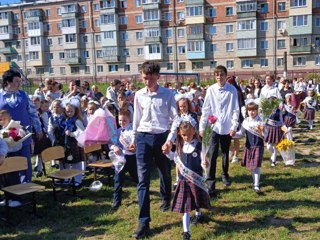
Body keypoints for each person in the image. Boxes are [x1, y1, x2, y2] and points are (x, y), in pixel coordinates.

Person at [131, 61, 177, 238]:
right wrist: (135, 137)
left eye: (150, 78)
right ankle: (144, 222)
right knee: (143, 180)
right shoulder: (139, 95)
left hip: (161, 137)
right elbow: (137, 117)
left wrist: (169, 140)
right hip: (143, 137)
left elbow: (176, 119)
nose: (147, 82)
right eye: (144, 78)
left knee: (164, 171)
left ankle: (166, 196)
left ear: (158, 76)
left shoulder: (167, 95)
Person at [199, 65, 239, 198]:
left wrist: (234, 126)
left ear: (225, 76)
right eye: (217, 75)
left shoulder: (232, 90)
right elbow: (206, 109)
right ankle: (210, 183)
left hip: (227, 126)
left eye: (221, 74)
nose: (219, 77)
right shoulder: (211, 89)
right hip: (213, 126)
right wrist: (202, 127)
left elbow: (235, 109)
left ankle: (224, 174)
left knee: (225, 152)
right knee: (212, 153)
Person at [0, 70, 43, 184]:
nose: (19, 84)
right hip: (5, 135)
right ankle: (11, 186)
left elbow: (33, 112)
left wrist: (38, 128)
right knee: (9, 161)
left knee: (25, 160)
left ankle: (26, 184)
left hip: (23, 133)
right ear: (7, 82)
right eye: (16, 81)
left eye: (20, 81)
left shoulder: (23, 95)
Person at [171, 117, 211, 240]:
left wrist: (205, 164)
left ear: (194, 131)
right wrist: (177, 178)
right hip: (184, 181)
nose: (186, 137)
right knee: (185, 207)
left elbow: (205, 161)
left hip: (196, 180)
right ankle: (186, 232)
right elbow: (177, 163)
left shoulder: (200, 146)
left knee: (197, 200)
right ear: (179, 133)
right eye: (183, 135)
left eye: (188, 134)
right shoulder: (179, 146)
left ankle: (199, 214)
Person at [109, 110, 138, 210]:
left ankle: (144, 191)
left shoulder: (133, 131)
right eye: (120, 120)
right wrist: (114, 147)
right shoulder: (117, 131)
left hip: (131, 158)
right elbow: (111, 143)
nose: (122, 122)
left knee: (137, 178)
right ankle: (117, 201)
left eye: (124, 120)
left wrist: (135, 147)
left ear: (129, 119)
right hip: (120, 159)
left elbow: (136, 144)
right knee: (118, 180)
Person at [234, 101, 264, 192]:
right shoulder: (246, 121)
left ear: (257, 111)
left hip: (258, 146)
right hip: (249, 146)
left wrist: (262, 132)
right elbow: (241, 134)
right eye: (250, 110)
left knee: (256, 166)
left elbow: (265, 135)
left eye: (254, 110)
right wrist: (231, 134)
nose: (252, 112)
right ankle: (254, 181)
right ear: (247, 111)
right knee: (252, 166)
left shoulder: (261, 121)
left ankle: (256, 185)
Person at [61, 98, 85, 186]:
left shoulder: (77, 121)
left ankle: (78, 179)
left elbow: (82, 131)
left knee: (76, 163)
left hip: (75, 144)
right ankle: (70, 178)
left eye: (71, 111)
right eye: (67, 111)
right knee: (68, 162)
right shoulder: (66, 120)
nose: (69, 113)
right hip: (68, 144)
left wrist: (71, 133)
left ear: (75, 111)